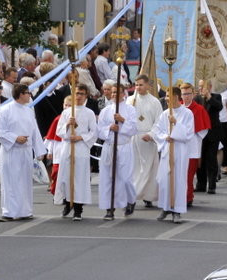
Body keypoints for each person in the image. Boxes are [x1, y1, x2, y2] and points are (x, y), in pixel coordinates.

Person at [0, 84, 46, 221]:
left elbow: (35, 131)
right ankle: (9, 212)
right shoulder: (5, 110)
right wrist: (15, 138)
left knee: (25, 181)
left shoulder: (29, 111)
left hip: (26, 151)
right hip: (11, 150)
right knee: (11, 181)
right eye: (28, 93)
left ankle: (25, 210)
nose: (30, 95)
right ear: (21, 94)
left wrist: (39, 150)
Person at [54, 83, 98, 221]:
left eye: (82, 94)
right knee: (66, 176)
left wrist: (81, 137)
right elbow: (58, 131)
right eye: (77, 93)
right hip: (68, 146)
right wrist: (67, 124)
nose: (78, 96)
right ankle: (68, 203)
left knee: (79, 178)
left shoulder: (89, 113)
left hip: (81, 147)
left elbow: (94, 132)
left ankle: (78, 208)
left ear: (86, 96)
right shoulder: (66, 112)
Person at [151, 87, 195, 223]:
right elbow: (157, 130)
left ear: (176, 97)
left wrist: (176, 124)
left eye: (169, 96)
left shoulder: (187, 113)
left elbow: (188, 133)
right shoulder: (165, 114)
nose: (166, 98)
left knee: (178, 180)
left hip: (180, 150)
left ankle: (177, 210)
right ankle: (165, 207)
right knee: (165, 180)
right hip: (167, 148)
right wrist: (166, 137)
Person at [97, 85, 138, 220]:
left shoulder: (131, 110)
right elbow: (99, 130)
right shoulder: (105, 111)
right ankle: (110, 208)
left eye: (117, 92)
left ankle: (131, 200)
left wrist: (122, 121)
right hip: (109, 146)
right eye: (113, 92)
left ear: (123, 94)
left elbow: (133, 129)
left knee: (125, 178)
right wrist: (109, 128)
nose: (114, 94)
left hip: (123, 146)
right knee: (108, 178)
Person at [127, 75, 164, 207]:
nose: (138, 87)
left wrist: (151, 134)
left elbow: (159, 122)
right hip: (133, 139)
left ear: (148, 86)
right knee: (135, 169)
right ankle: (132, 196)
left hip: (148, 139)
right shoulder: (130, 100)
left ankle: (148, 195)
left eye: (141, 85)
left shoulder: (155, 102)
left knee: (148, 169)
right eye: (136, 85)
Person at [180, 83, 211, 206]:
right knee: (180, 174)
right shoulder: (178, 108)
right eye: (183, 94)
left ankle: (188, 197)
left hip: (192, 145)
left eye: (188, 94)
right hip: (179, 145)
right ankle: (180, 196)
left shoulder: (199, 109)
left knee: (189, 174)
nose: (186, 96)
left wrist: (193, 136)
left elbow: (204, 129)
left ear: (192, 94)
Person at [195, 79, 223, 194]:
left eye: (203, 86)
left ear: (210, 87)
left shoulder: (216, 97)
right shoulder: (197, 99)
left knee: (211, 159)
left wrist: (208, 96)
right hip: (200, 133)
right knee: (200, 159)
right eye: (200, 86)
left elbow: (219, 107)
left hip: (213, 133)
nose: (201, 88)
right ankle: (201, 184)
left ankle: (212, 185)